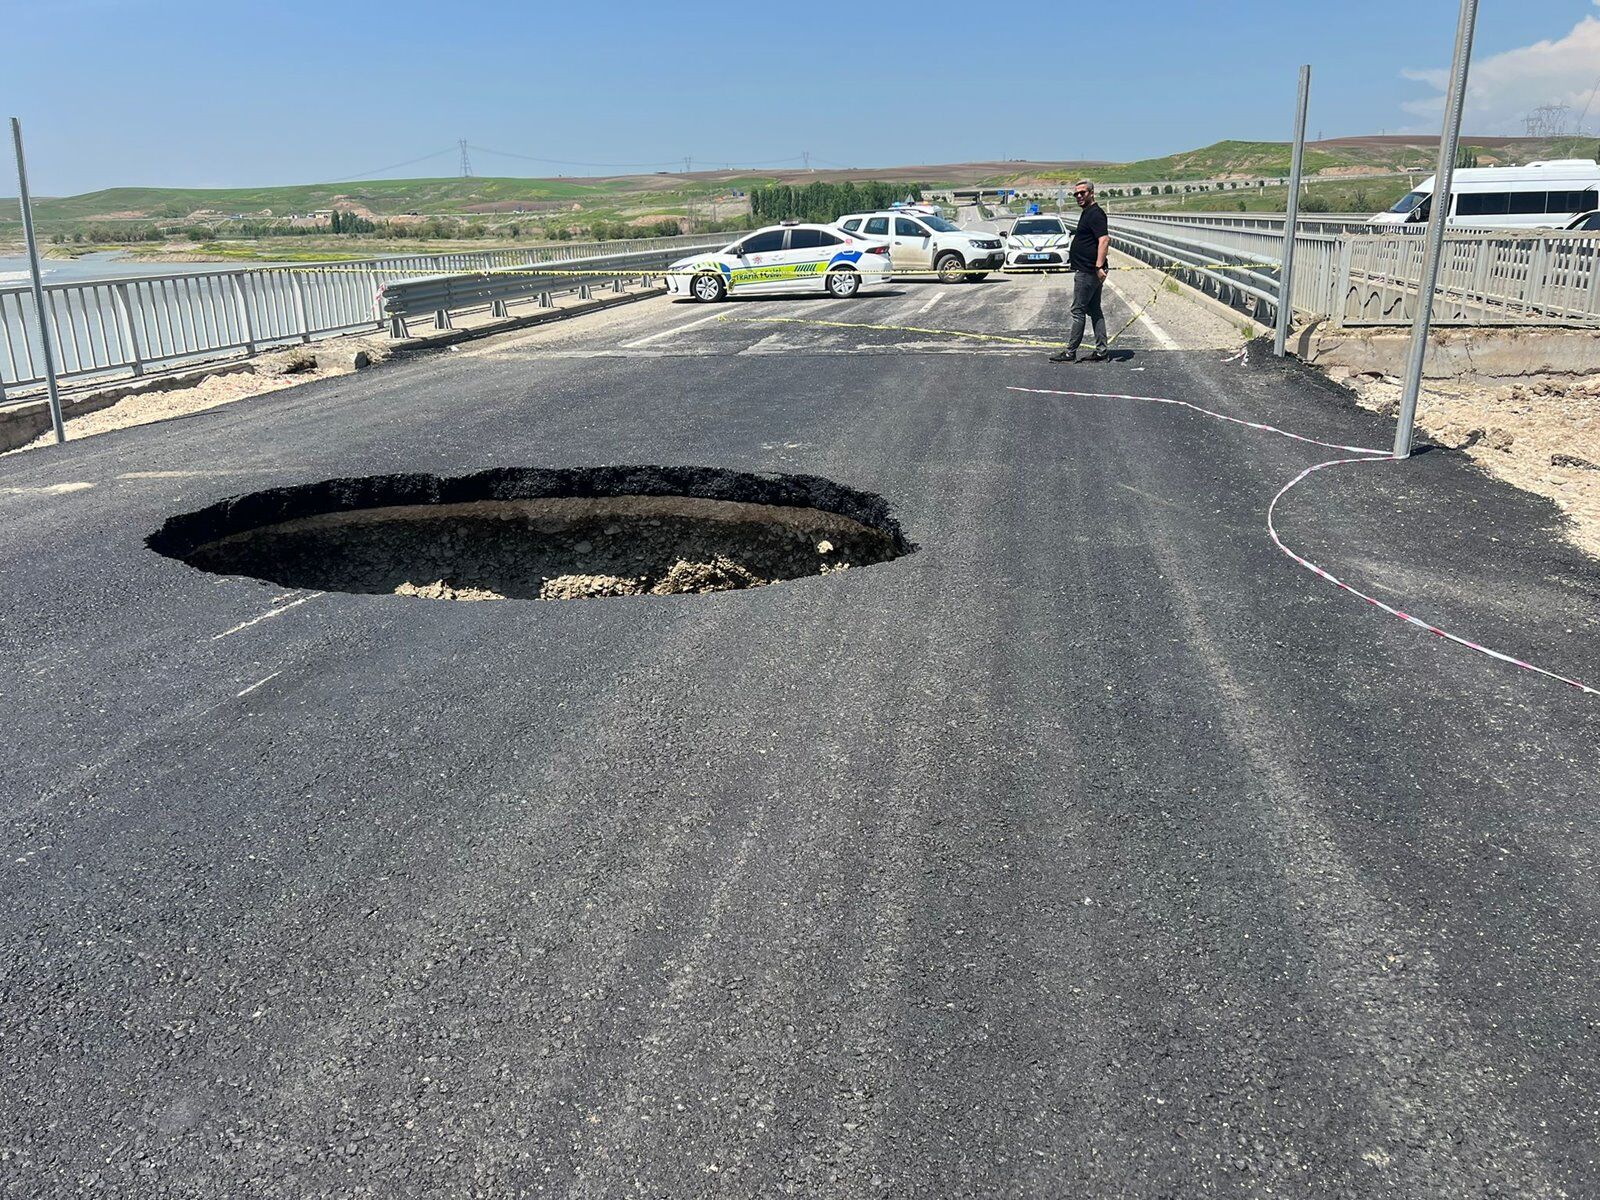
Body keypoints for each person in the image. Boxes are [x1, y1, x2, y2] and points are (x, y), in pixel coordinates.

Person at [1049, 180, 1110, 363]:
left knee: (1078, 310)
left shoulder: (1096, 214)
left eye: (1082, 193)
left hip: (1088, 270)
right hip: (1088, 269)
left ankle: (1070, 352)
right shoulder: (1087, 213)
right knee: (1094, 309)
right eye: (1076, 194)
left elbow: (1104, 240)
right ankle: (1101, 350)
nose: (1079, 196)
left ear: (1092, 193)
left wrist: (1098, 266)